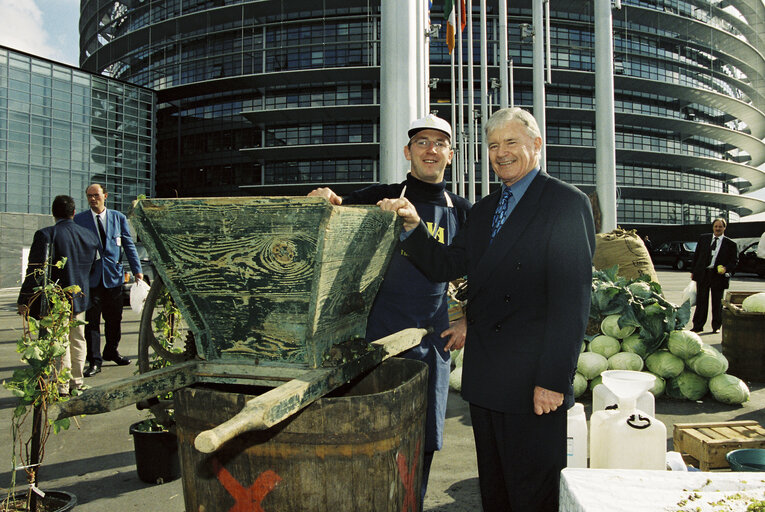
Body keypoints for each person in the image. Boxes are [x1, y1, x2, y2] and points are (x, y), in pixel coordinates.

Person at [379, 107, 595, 512]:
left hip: (534, 383)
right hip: (487, 378)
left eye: (511, 142)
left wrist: (554, 380)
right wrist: (412, 227)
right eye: (493, 145)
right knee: (496, 491)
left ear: (536, 144)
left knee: (532, 493)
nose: (501, 153)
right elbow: (446, 264)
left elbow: (572, 301)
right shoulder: (483, 210)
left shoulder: (565, 203)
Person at [308, 113, 471, 507]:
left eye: (439, 143)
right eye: (421, 142)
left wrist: (470, 317)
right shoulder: (380, 195)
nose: (430, 150)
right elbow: (333, 212)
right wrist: (322, 199)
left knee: (424, 435)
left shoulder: (463, 209)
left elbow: (483, 268)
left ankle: (411, 499)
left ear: (451, 155)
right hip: (374, 333)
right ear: (407, 152)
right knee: (367, 428)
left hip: (431, 338)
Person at [18, 195, 100, 395]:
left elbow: (35, 272)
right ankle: (77, 382)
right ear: (74, 213)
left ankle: (60, 385)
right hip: (81, 299)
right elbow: (96, 268)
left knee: (58, 342)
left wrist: (24, 299)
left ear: (53, 214)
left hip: (55, 301)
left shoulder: (46, 235)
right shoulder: (90, 236)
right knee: (78, 339)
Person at [74, 183, 143, 376]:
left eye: (95, 195)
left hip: (114, 278)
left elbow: (129, 245)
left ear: (105, 196)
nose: (92, 199)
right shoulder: (80, 220)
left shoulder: (118, 218)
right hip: (91, 280)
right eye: (89, 196)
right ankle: (94, 360)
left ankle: (111, 351)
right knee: (92, 322)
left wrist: (137, 270)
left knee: (114, 319)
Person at [690, 218, 737, 333]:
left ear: (724, 228)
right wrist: (693, 271)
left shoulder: (730, 244)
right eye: (716, 226)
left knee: (717, 303)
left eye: (720, 227)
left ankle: (716, 326)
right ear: (713, 227)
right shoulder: (704, 239)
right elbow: (696, 256)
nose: (718, 229)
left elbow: (734, 261)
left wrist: (726, 268)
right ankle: (698, 326)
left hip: (718, 276)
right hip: (703, 274)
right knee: (701, 301)